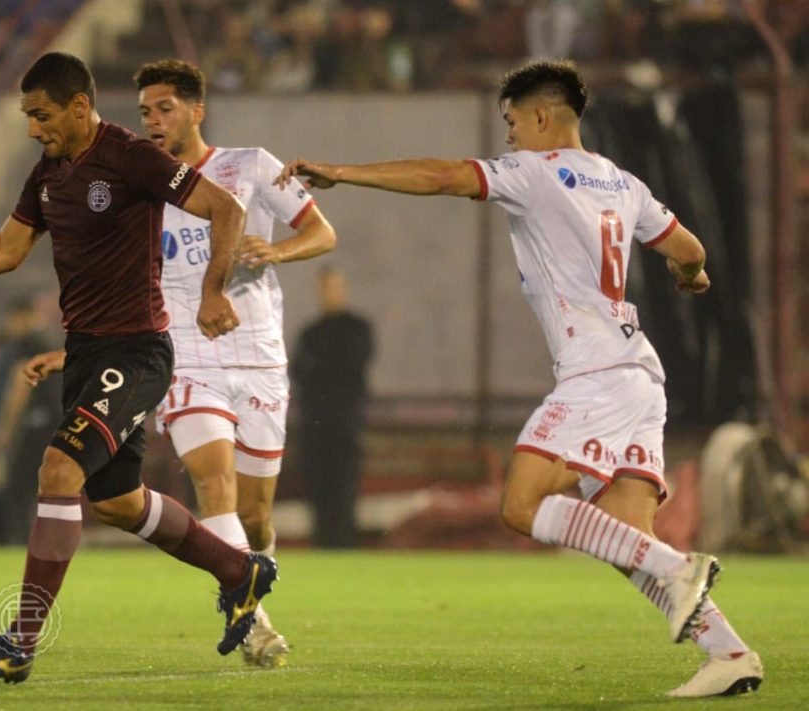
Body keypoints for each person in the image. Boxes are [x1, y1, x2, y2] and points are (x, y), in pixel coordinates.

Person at [275, 60, 762, 698]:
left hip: (595, 373)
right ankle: (729, 652)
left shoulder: (533, 173)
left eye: (510, 122)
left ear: (539, 117)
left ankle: (679, 565)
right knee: (626, 539)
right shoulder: (624, 184)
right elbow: (690, 250)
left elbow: (442, 177)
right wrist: (689, 278)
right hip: (641, 373)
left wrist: (342, 172)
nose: (507, 137)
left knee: (522, 506)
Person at [0, 51, 278, 684]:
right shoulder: (49, 171)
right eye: (28, 116)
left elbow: (226, 207)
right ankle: (238, 569)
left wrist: (213, 290)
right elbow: (7, 250)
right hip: (89, 354)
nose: (33, 127)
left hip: (137, 354)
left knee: (58, 469)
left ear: (79, 107)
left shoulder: (130, 157)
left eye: (41, 114)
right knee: (117, 503)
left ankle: (20, 643)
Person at [23, 58, 336, 669]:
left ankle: (244, 573)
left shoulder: (249, 167)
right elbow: (126, 283)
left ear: (197, 109)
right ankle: (258, 626)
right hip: (185, 353)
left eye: (164, 108)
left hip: (260, 354)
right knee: (211, 481)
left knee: (255, 515)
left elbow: (322, 233)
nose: (153, 121)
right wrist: (79, 352)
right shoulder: (143, 179)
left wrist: (277, 250)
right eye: (144, 112)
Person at [291, 266, 373, 548]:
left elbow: (350, 366)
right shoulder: (311, 332)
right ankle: (322, 541)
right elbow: (298, 371)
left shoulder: (357, 328)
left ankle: (344, 542)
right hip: (314, 422)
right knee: (318, 484)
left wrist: (320, 370)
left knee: (343, 484)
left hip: (345, 422)